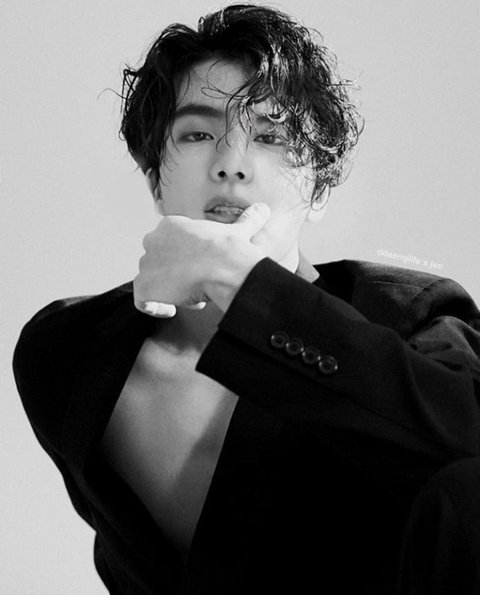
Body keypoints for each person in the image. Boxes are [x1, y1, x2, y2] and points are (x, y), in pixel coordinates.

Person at [13, 4, 480, 594]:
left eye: (270, 136)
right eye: (198, 134)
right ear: (155, 179)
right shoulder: (66, 351)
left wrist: (241, 284)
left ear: (319, 189)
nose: (231, 165)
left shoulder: (409, 317)